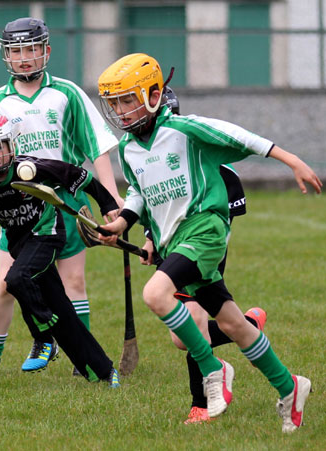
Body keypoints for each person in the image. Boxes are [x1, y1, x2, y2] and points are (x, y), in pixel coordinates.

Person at [97, 53, 322, 432]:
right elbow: (140, 193)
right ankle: (290, 386)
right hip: (174, 240)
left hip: (205, 229)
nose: (120, 111)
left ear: (153, 95)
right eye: (114, 103)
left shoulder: (186, 129)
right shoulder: (128, 149)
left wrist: (292, 159)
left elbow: (241, 137)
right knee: (234, 324)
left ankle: (212, 369)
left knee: (155, 295)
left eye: (127, 100)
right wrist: (122, 222)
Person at [0, 17, 123, 375]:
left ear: (46, 51)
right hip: (15, 205)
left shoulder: (67, 93)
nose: (25, 58)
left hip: (65, 200)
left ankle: (82, 359)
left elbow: (98, 146)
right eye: (16, 51)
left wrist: (113, 198)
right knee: (6, 283)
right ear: (6, 56)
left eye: (31, 49)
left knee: (73, 281)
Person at [0, 113, 120, 387]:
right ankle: (103, 371)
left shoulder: (31, 169)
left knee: (15, 280)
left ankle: (44, 335)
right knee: (62, 310)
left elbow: (80, 176)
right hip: (21, 245)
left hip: (48, 233)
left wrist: (108, 205)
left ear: (11, 146)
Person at [159, 87, 268, 424]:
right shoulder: (155, 166)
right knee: (182, 338)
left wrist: (192, 255)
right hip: (172, 252)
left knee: (193, 324)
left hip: (205, 254)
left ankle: (202, 404)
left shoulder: (223, 173)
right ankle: (247, 325)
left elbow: (221, 231)